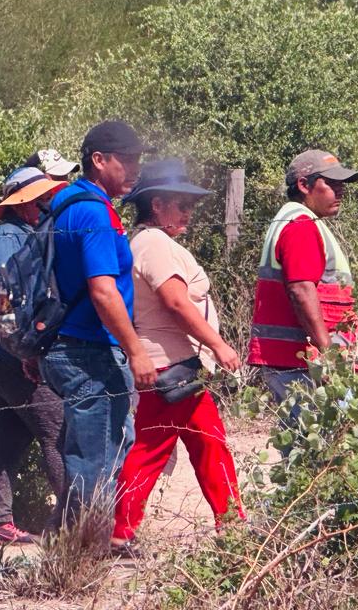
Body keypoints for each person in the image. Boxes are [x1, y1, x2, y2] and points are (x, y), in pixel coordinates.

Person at [112, 160, 245, 555]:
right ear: (156, 205)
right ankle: (121, 530)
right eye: (180, 203)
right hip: (168, 363)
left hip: (172, 363)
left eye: (191, 204)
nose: (188, 212)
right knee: (155, 448)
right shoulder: (154, 244)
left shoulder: (148, 241)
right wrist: (219, 344)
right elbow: (174, 300)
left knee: (206, 442)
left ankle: (231, 523)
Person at [41, 119, 153, 521]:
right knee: (95, 458)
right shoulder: (93, 212)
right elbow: (103, 291)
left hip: (65, 342)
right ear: (99, 160)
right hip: (88, 347)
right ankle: (80, 554)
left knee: (98, 450)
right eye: (127, 160)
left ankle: (69, 546)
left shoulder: (65, 203)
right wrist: (136, 351)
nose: (135, 168)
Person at [0, 167, 69, 545]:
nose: (48, 203)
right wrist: (25, 351)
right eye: (42, 198)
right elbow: (7, 302)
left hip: (7, 354)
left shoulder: (23, 235)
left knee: (12, 440)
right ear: (25, 204)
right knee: (56, 433)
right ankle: (71, 525)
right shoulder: (7, 239)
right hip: (14, 356)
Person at [248, 149, 358, 407]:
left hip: (298, 361)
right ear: (304, 185)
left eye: (341, 184)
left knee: (319, 443)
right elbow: (301, 291)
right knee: (328, 443)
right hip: (305, 363)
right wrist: (328, 354)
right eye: (331, 183)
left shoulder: (296, 220)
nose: (340, 191)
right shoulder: (300, 225)